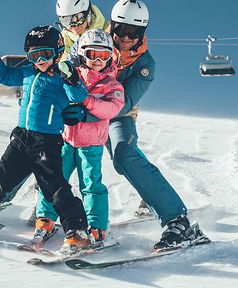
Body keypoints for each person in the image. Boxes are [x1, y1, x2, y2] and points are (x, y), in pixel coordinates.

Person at [68, 0, 209, 250]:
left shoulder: (145, 64)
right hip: (79, 111)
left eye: (132, 32)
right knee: (40, 141)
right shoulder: (98, 40)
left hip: (116, 115)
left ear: (141, 32)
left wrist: (85, 112)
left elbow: (123, 104)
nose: (123, 36)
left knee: (124, 155)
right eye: (119, 28)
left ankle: (177, 221)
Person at [0, 25, 94, 252]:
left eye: (45, 54)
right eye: (34, 55)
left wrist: (70, 78)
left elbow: (79, 95)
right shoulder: (28, 72)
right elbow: (7, 77)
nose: (39, 60)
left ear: (58, 52)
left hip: (47, 141)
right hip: (21, 138)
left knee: (55, 189)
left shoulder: (63, 74)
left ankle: (77, 231)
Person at [33, 29, 124, 244]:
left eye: (103, 56)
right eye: (93, 55)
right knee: (53, 180)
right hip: (65, 140)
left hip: (91, 145)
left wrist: (87, 104)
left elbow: (111, 110)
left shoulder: (112, 85)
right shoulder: (71, 75)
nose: (98, 61)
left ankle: (96, 227)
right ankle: (45, 219)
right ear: (83, 54)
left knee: (91, 185)